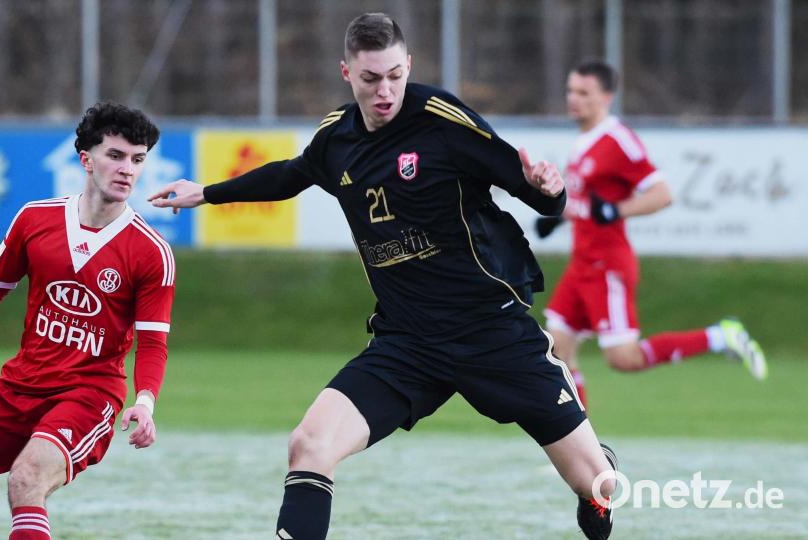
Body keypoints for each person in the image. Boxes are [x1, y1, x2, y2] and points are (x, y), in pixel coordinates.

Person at [150, 13, 617, 540]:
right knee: (309, 445)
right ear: (347, 73)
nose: (385, 90)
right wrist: (207, 193)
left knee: (594, 484)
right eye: (371, 79)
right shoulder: (337, 140)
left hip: (491, 334)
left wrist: (549, 188)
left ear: (409, 66)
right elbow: (291, 175)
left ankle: (598, 470)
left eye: (395, 75)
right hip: (408, 343)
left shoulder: (441, 119)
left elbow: (532, 188)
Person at [0, 103, 174, 540]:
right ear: (86, 159)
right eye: (115, 155)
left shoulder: (150, 251)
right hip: (19, 386)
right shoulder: (35, 218)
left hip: (88, 394)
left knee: (26, 481)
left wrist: (146, 400)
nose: (128, 169)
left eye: (138, 159)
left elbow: (153, 343)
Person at [535, 61, 767, 407]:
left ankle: (720, 336)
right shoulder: (583, 142)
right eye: (571, 90)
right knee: (557, 352)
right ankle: (586, 452)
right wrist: (560, 217)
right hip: (582, 264)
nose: (574, 99)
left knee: (623, 359)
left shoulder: (618, 140)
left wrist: (617, 210)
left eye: (584, 93)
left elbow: (662, 193)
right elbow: (590, 203)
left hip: (606, 266)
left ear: (607, 97)